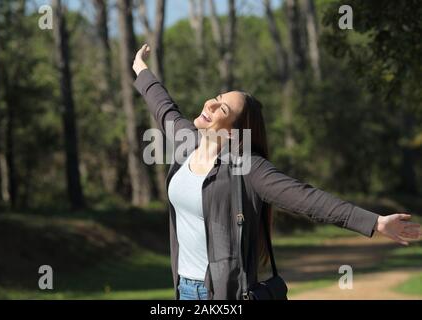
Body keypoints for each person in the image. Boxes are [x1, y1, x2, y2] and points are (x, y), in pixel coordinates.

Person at [131, 44, 421, 300]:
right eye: (217, 97)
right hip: (183, 287)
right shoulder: (186, 143)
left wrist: (374, 222)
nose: (211, 104)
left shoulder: (248, 167)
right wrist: (141, 69)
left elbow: (306, 199)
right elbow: (164, 108)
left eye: (223, 109)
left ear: (234, 133)